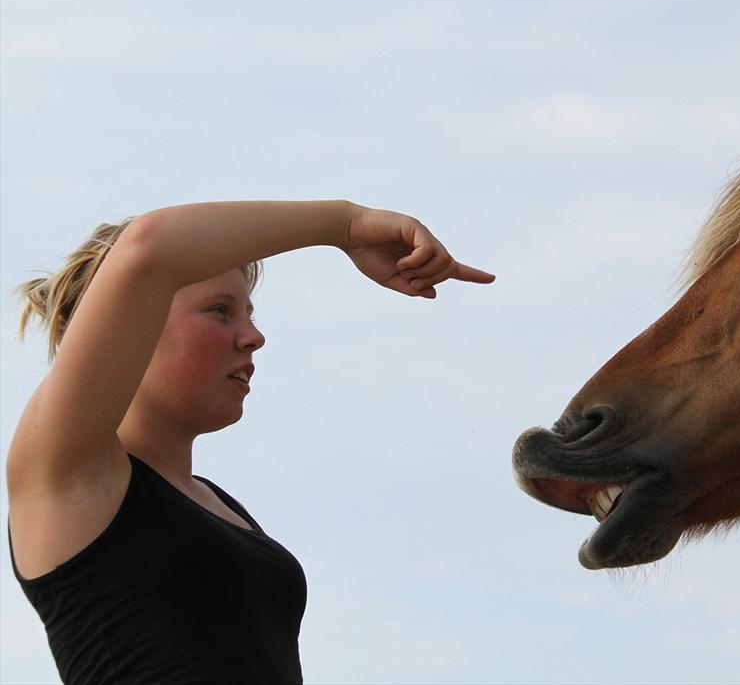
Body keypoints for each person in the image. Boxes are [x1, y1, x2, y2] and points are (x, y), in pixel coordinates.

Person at [6, 200, 495, 684]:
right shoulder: (71, 470)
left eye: (248, 313)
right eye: (220, 311)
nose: (254, 336)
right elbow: (148, 248)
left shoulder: (221, 506)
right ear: (130, 321)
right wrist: (345, 225)